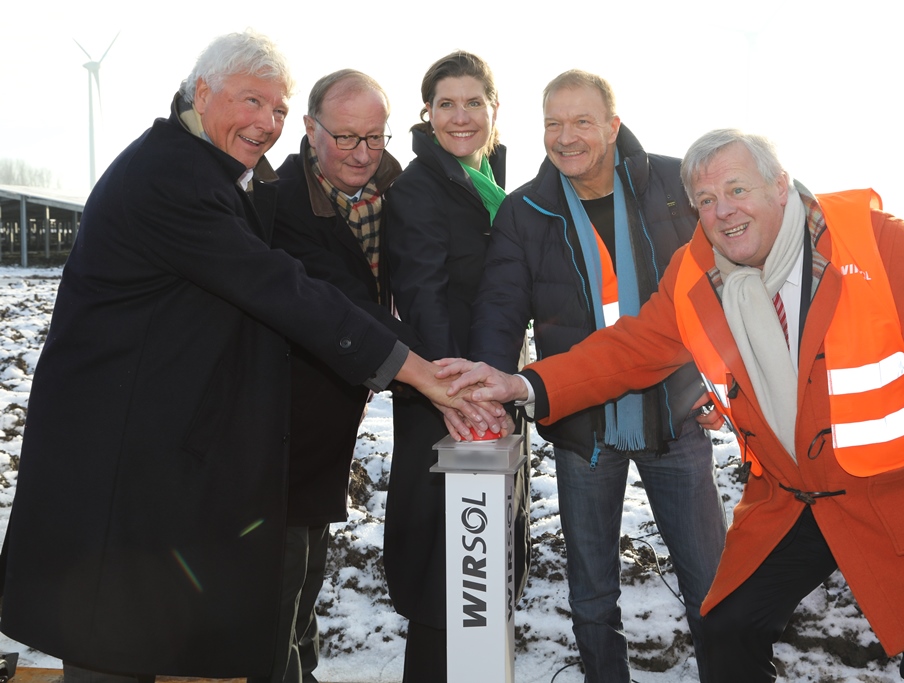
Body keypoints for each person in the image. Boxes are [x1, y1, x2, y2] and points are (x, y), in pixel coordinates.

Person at [0, 31, 499, 683]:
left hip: (156, 454)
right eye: (252, 101)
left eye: (277, 109)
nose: (266, 122)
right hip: (117, 464)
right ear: (201, 92)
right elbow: (285, 287)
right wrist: (420, 370)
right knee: (110, 642)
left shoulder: (209, 170)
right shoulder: (174, 179)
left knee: (136, 636)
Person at [442, 129, 904, 683]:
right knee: (728, 628)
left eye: (737, 190)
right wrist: (525, 385)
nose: (722, 212)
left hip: (903, 491)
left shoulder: (875, 240)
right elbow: (630, 350)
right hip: (794, 497)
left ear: (780, 185)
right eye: (706, 200)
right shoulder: (697, 273)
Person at [468, 69, 726, 682]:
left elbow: (728, 286)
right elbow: (500, 312)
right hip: (583, 426)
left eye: (583, 121)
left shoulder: (676, 184)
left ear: (613, 124)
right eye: (554, 123)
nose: (567, 137)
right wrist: (487, 392)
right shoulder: (525, 209)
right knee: (591, 596)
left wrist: (726, 382)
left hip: (676, 412)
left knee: (713, 586)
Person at [261, 69, 421, 683]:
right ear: (309, 129)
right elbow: (338, 301)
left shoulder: (399, 195)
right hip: (284, 413)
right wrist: (428, 370)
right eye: (346, 138)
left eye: (374, 139)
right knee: (280, 579)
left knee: (308, 576)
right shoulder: (273, 203)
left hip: (339, 411)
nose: (361, 154)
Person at [383, 51, 530, 682]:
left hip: (491, 393)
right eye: (446, 103)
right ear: (428, 114)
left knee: (483, 558)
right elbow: (423, 294)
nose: (461, 116)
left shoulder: (489, 180)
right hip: (447, 403)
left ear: (495, 110)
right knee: (445, 562)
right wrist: (460, 393)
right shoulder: (419, 189)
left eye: (474, 102)